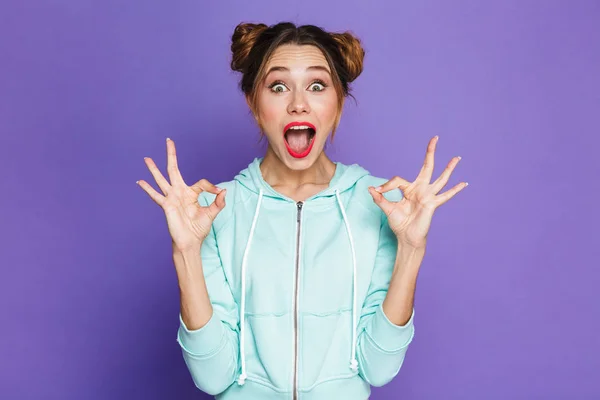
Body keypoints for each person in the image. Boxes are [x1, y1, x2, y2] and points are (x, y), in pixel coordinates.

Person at [137, 21, 467, 400]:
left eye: (317, 85)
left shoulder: (381, 206)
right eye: (278, 87)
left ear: (338, 101)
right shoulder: (213, 211)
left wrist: (411, 248)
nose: (298, 103)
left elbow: (379, 368)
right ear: (253, 102)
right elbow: (213, 376)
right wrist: (186, 252)